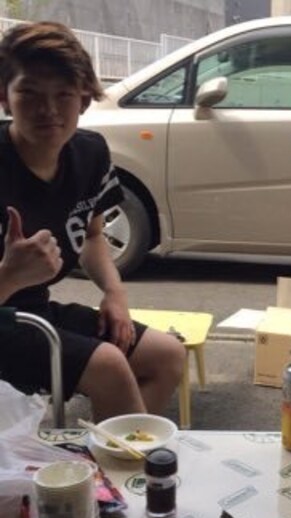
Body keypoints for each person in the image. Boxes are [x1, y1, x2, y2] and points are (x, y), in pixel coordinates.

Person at [0, 21, 185, 421]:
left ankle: (100, 455)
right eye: (29, 93)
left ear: (83, 100)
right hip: (4, 318)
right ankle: (114, 460)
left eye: (64, 94)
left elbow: (94, 233)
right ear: (4, 98)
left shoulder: (90, 153)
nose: (49, 110)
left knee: (167, 356)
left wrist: (114, 293)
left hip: (36, 312)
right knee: (108, 366)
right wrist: (9, 276)